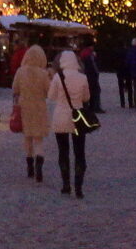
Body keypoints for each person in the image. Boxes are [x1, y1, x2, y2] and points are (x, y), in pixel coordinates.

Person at [47, 49, 91, 197]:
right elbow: (86, 98)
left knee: (63, 152)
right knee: (79, 153)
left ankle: (66, 184)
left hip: (60, 117)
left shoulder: (58, 77)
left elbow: (51, 96)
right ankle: (78, 187)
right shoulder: (82, 77)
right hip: (77, 118)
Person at [12, 43, 51, 182]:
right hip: (39, 106)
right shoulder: (43, 73)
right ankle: (39, 162)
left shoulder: (20, 71)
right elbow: (49, 92)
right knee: (38, 138)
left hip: (24, 106)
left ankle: (29, 166)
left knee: (27, 136)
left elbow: (15, 89)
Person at [78, 36, 104, 114]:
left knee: (87, 90)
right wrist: (97, 73)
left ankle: (87, 106)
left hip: (85, 75)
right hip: (91, 75)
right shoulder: (90, 54)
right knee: (96, 91)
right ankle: (95, 107)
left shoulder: (83, 53)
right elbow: (93, 66)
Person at [114, 41, 133, 108]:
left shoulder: (117, 52)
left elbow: (115, 61)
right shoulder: (128, 51)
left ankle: (122, 103)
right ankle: (130, 102)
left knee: (121, 88)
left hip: (120, 71)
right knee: (129, 87)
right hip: (127, 71)